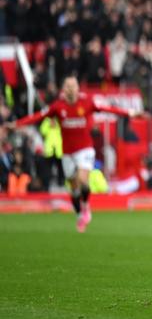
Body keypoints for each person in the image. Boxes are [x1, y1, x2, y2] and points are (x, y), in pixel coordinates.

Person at [5, 75, 138, 231]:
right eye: (68, 86)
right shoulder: (58, 106)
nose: (71, 89)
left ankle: (86, 206)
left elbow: (108, 109)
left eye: (73, 86)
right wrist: (17, 124)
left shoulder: (87, 102)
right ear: (64, 89)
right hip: (67, 152)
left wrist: (129, 112)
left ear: (77, 88)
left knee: (83, 180)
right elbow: (38, 116)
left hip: (85, 149)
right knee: (74, 189)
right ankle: (79, 213)